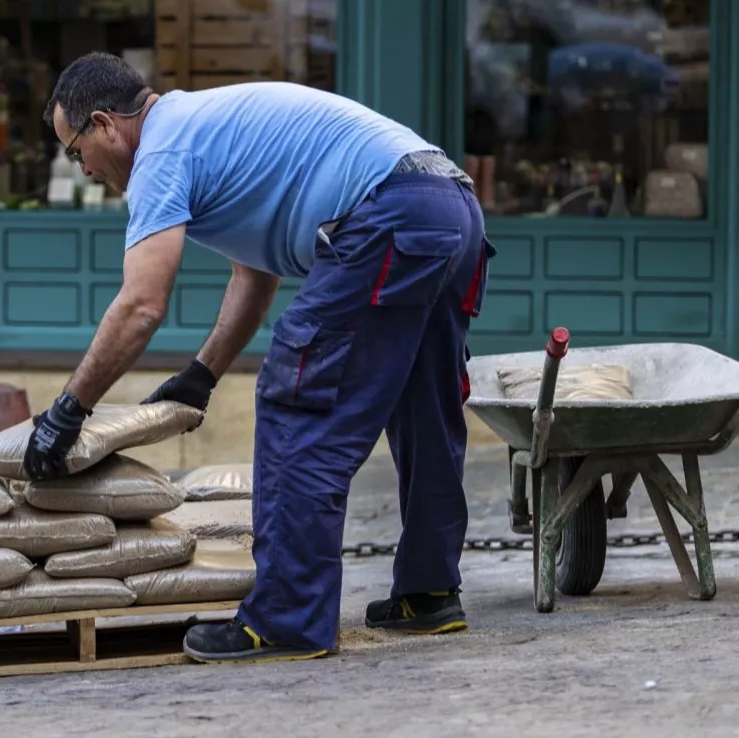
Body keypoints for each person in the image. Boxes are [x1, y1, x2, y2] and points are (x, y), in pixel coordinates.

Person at [25, 51, 495, 665]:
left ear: (105, 124)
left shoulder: (161, 154)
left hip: (388, 214)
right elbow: (255, 275)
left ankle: (287, 620)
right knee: (423, 404)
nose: (84, 169)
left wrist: (69, 409)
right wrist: (201, 375)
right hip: (449, 204)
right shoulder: (204, 129)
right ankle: (429, 593)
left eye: (75, 150)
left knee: (296, 401)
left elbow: (141, 304)